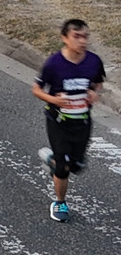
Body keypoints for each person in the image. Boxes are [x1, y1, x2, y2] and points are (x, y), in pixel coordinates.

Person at [33, 19, 106, 223]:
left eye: (85, 36)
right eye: (77, 36)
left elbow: (98, 83)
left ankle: (53, 161)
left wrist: (93, 92)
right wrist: (54, 99)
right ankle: (60, 202)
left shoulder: (93, 61)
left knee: (77, 166)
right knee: (64, 167)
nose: (82, 41)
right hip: (58, 121)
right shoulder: (54, 63)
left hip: (82, 121)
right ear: (65, 38)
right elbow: (36, 89)